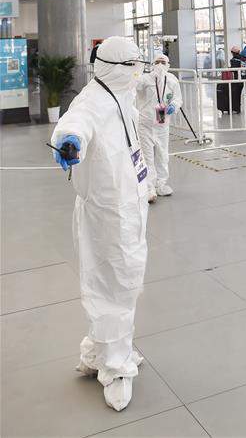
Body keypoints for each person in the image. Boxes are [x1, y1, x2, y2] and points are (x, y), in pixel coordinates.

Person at [49, 35, 148, 412]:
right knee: (114, 283)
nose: (139, 72)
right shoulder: (92, 100)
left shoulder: (120, 94)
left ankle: (100, 349)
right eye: (134, 65)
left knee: (126, 283)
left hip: (131, 205)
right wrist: (69, 140)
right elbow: (76, 123)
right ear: (116, 68)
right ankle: (116, 367)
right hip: (107, 212)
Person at [136, 53, 182, 201]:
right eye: (157, 62)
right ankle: (149, 188)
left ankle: (160, 184)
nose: (160, 65)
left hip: (162, 123)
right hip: (145, 123)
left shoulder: (172, 80)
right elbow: (133, 86)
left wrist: (173, 106)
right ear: (152, 64)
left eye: (163, 62)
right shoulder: (145, 79)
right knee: (147, 156)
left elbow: (177, 98)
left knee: (162, 155)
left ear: (168, 65)